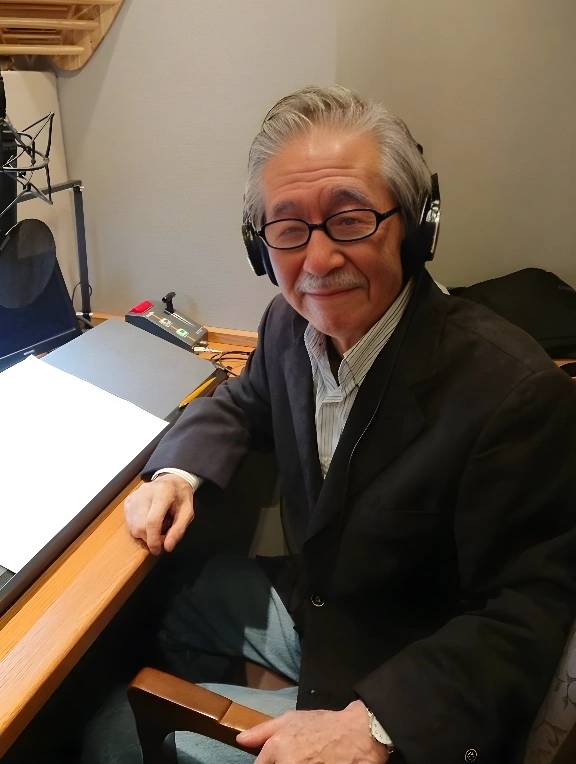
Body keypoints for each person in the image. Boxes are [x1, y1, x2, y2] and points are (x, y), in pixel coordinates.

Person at [85, 86, 576, 764]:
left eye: (351, 220)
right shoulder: (288, 327)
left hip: (405, 681)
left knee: (114, 729)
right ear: (260, 246)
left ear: (415, 227)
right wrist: (176, 474)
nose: (317, 262)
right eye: (288, 229)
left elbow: (528, 612)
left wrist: (373, 726)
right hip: (328, 613)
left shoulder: (513, 393)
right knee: (173, 594)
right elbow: (243, 401)